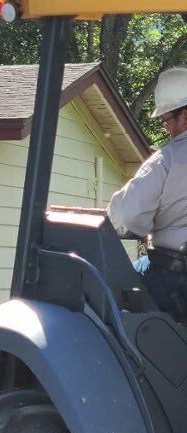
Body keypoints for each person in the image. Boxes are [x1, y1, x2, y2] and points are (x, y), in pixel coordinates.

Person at [107, 66, 187, 317]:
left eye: (166, 120)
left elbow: (125, 217)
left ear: (184, 115)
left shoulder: (167, 160)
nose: (166, 129)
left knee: (106, 292)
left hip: (174, 276)